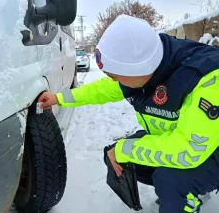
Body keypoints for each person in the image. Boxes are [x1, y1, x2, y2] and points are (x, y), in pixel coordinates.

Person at [38, 14, 219, 213]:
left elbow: (188, 150)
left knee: (169, 179)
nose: (115, 82)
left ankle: (182, 196)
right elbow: (101, 90)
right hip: (185, 141)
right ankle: (176, 193)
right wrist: (59, 98)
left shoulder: (207, 80)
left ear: (136, 69)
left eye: (115, 76)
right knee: (121, 155)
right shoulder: (142, 71)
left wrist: (123, 150)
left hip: (209, 151)